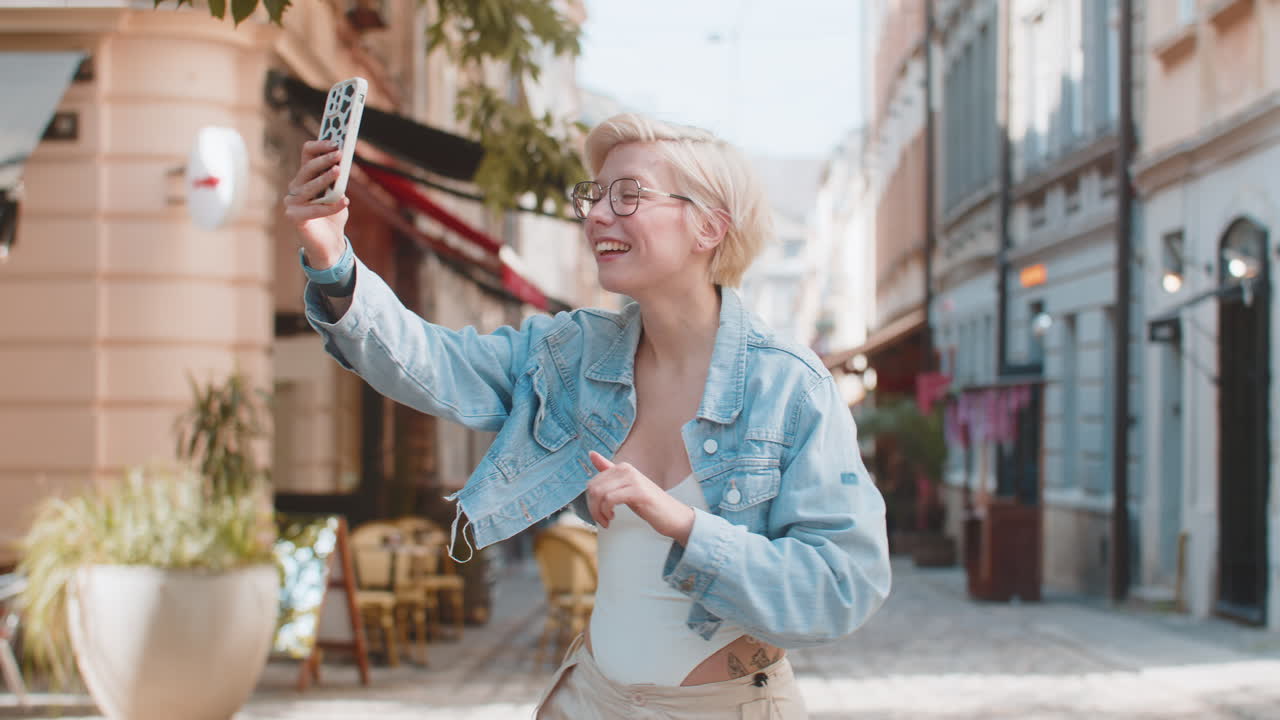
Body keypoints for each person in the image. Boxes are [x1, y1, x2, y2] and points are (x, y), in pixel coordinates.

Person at [283, 113, 891, 719]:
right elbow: (435, 364)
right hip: (590, 699)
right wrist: (332, 255)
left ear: (708, 226)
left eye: (628, 195)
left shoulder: (788, 386)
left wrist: (682, 523)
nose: (597, 214)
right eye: (594, 196)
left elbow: (842, 586)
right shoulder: (572, 355)